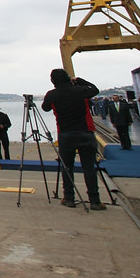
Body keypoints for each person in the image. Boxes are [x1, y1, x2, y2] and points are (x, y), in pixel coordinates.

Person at [42, 68, 105, 210]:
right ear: (68, 78)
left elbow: (45, 108)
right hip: (85, 132)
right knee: (89, 167)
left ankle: (69, 197)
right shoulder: (81, 91)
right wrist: (79, 80)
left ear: (53, 81)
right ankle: (94, 200)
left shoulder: (52, 95)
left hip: (65, 134)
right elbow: (95, 89)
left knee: (67, 167)